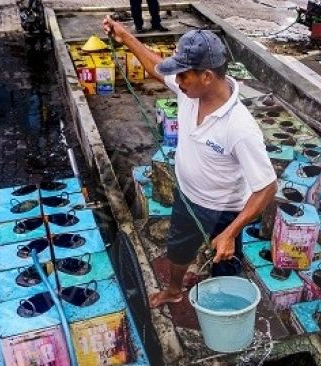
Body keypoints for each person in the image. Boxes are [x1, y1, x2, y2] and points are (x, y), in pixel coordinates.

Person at [103, 17, 277, 308]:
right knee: (178, 249)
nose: (177, 82)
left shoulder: (240, 128)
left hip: (224, 210)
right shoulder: (191, 90)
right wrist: (126, 37)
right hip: (187, 195)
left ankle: (226, 308)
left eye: (183, 76)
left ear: (207, 76)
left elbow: (267, 187)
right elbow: (156, 67)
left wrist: (230, 232)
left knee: (225, 260)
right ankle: (173, 290)